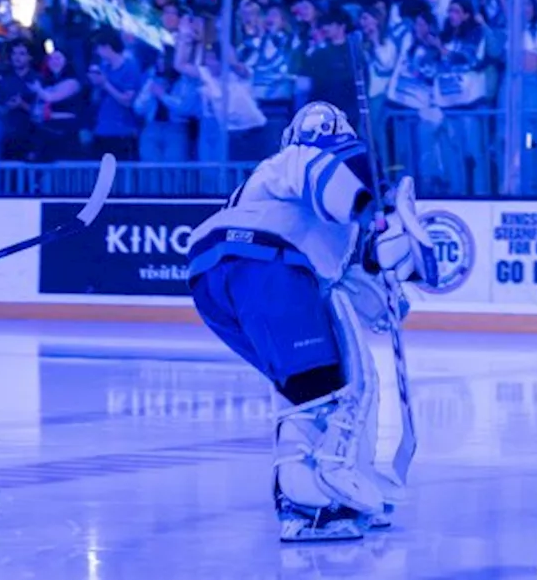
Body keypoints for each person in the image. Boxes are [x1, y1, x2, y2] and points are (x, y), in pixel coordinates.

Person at [186, 101, 436, 542]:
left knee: (303, 387)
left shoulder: (297, 205)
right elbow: (327, 176)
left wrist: (388, 281)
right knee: (335, 387)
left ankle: (306, 502)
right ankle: (315, 493)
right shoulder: (293, 162)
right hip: (264, 262)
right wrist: (370, 207)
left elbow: (350, 280)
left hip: (216, 279)